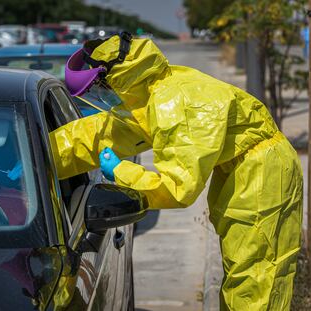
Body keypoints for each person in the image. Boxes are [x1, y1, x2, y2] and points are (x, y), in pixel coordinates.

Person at [49, 32, 303, 310]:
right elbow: (95, 135)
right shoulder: (148, 94)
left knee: (256, 277)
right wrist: (39, 157)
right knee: (244, 271)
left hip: (263, 173)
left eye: (99, 89)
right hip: (243, 170)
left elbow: (177, 188)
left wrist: (122, 171)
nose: (102, 97)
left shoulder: (174, 103)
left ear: (117, 78)